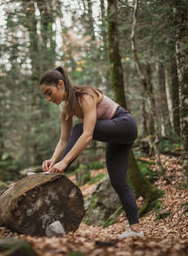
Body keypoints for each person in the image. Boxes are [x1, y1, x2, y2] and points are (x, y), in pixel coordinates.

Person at [40, 66, 143, 239]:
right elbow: (63, 141)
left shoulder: (86, 96)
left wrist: (64, 163)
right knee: (118, 182)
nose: (48, 98)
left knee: (80, 128)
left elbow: (87, 134)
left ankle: (54, 174)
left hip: (125, 124)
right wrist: (53, 159)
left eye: (49, 93)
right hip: (115, 137)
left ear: (60, 84)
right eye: (45, 95)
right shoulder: (66, 110)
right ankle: (136, 229)